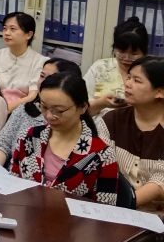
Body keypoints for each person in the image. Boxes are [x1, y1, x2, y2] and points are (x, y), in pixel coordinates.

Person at [9, 71, 118, 205]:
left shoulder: (102, 155)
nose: (49, 116)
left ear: (83, 107)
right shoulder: (29, 137)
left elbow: (105, 208)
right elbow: (13, 183)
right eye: (43, 107)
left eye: (59, 110)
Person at [0, 58, 82, 166]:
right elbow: (2, 143)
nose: (43, 82)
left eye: (51, 78)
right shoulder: (24, 110)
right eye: (42, 76)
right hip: (11, 172)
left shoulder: (73, 121)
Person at [100, 57, 164, 211]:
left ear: (159, 92)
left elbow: (160, 182)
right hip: (111, 205)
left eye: (137, 80)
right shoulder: (111, 119)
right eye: (128, 77)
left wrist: (124, 205)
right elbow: (101, 165)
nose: (127, 84)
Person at [85, 17, 149, 117]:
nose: (127, 58)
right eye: (122, 51)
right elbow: (78, 111)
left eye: (134, 53)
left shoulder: (150, 73)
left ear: (144, 52)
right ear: (114, 48)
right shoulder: (100, 68)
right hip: (98, 125)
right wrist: (102, 103)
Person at [0, 12, 49, 113]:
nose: (7, 33)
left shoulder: (40, 62)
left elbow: (33, 96)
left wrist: (5, 110)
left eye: (13, 29)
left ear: (29, 35)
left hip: (21, 112)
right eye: (5, 28)